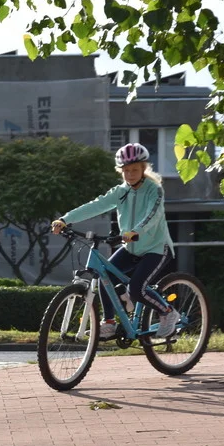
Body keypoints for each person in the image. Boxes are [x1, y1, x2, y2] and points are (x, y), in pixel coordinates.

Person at [51, 142, 181, 338]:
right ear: (120, 171)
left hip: (156, 248)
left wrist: (136, 231)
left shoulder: (154, 190)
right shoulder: (120, 192)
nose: (130, 174)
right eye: (126, 170)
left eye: (135, 170)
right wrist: (65, 219)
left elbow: (152, 215)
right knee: (104, 278)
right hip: (131, 248)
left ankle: (168, 313)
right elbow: (95, 206)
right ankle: (109, 323)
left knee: (137, 290)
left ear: (143, 168)